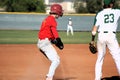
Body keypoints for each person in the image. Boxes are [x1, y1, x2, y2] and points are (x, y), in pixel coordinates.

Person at [90, 0, 120, 80]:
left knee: (100, 58)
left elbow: (94, 30)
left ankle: (97, 78)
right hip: (111, 36)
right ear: (111, 4)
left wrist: (92, 41)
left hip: (101, 36)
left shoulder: (99, 13)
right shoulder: (117, 11)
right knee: (117, 57)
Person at [37, 4, 64, 80]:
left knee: (55, 59)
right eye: (60, 11)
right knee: (56, 60)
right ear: (57, 12)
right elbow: (54, 31)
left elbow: (47, 33)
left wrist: (55, 41)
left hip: (41, 43)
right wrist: (59, 40)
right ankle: (49, 77)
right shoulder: (52, 20)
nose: (60, 13)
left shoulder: (47, 19)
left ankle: (49, 76)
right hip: (45, 43)